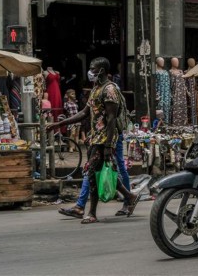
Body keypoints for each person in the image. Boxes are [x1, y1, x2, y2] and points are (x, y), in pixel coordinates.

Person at [47, 57, 139, 224]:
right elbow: (84, 113)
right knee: (103, 172)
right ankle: (130, 196)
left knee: (92, 174)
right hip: (95, 138)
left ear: (101, 70)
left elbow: (111, 119)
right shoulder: (96, 88)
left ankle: (91, 212)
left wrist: (109, 146)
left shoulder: (110, 89)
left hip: (105, 139)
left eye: (92, 68)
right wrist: (60, 123)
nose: (90, 71)